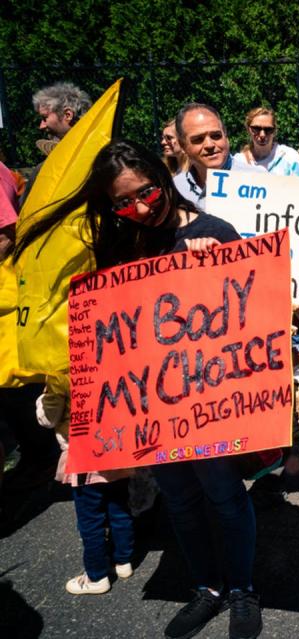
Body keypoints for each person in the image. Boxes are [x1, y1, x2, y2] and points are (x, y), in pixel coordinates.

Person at [14, 139, 261, 639]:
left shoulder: (215, 231)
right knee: (183, 501)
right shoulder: (118, 246)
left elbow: (256, 309)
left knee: (224, 495)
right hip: (152, 407)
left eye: (146, 191)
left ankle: (243, 590)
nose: (142, 208)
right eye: (124, 201)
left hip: (212, 403)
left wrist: (219, 264)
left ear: (161, 175)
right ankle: (207, 589)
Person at [33, 390, 135, 595]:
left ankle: (96, 576)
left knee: (90, 521)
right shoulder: (112, 361)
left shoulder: (59, 376)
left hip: (84, 458)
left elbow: (47, 419)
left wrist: (45, 397)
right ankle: (123, 560)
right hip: (117, 448)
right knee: (119, 509)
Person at [173, 102, 252, 212]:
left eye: (216, 136)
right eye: (198, 139)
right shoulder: (174, 189)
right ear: (182, 146)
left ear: (226, 136)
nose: (209, 145)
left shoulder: (260, 181)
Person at [232, 107, 299, 177]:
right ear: (248, 129)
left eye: (268, 129)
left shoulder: (290, 157)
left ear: (275, 131)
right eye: (256, 129)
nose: (262, 135)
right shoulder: (239, 162)